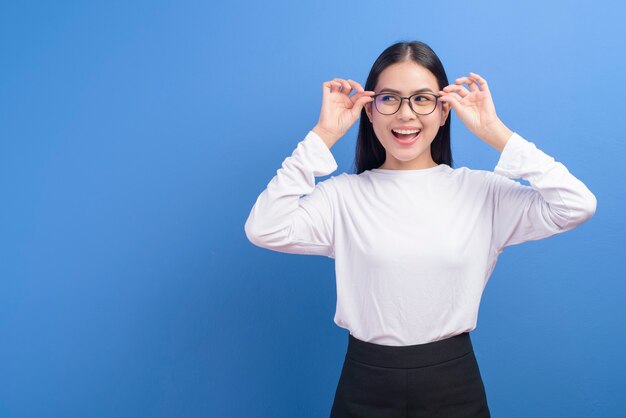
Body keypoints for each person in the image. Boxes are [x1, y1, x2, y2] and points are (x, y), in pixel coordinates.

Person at [244, 41, 596, 417]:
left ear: (444, 111)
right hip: (365, 384)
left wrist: (496, 132)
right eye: (389, 99)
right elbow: (264, 227)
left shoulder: (482, 192)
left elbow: (577, 204)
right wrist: (322, 135)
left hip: (453, 384)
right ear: (369, 110)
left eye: (422, 99)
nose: (405, 114)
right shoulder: (342, 196)